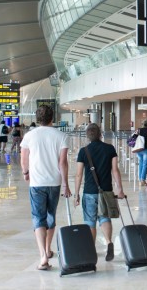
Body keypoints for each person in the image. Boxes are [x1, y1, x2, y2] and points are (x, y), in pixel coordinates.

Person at [19, 105, 70, 271]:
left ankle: (42, 255)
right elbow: (62, 162)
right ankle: (48, 250)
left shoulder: (29, 136)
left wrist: (26, 172)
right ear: (52, 118)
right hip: (54, 182)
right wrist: (66, 184)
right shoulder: (61, 135)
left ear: (37, 118)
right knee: (50, 215)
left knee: (38, 217)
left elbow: (24, 159)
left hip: (37, 182)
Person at [74, 123, 125, 262]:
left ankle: (92, 250)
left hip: (90, 191)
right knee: (104, 218)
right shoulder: (110, 148)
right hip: (106, 190)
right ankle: (109, 242)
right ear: (100, 134)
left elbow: (79, 174)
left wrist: (76, 193)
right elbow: (115, 170)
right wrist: (120, 189)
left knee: (90, 221)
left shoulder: (83, 151)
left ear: (87, 136)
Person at [136, 119, 147, 186]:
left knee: (141, 163)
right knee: (145, 164)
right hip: (146, 149)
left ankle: (140, 179)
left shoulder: (139, 130)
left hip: (139, 149)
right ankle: (143, 180)